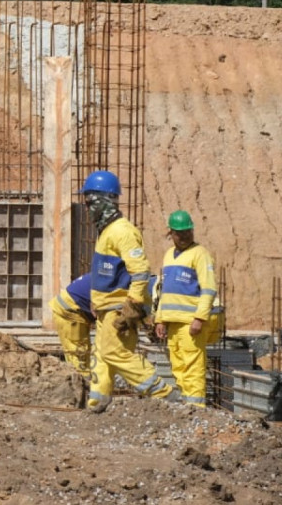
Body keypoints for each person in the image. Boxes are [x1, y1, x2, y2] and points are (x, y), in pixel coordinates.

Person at [82, 170, 178, 412]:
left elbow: (141, 271)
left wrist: (133, 305)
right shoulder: (107, 232)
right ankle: (98, 399)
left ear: (102, 200)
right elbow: (105, 271)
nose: (87, 208)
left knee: (116, 354)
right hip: (107, 307)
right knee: (103, 355)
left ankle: (163, 393)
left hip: (120, 307)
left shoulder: (123, 232)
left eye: (89, 202)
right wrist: (96, 301)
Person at [154, 210, 217, 409]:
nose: (184, 237)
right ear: (170, 233)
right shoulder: (168, 256)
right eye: (179, 234)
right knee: (179, 365)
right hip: (172, 322)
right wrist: (160, 319)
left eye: (187, 232)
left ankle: (197, 409)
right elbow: (164, 290)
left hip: (190, 322)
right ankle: (187, 405)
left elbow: (209, 289)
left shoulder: (200, 254)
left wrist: (200, 318)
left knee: (193, 367)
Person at [49, 272, 94, 378]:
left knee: (83, 352)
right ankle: (84, 387)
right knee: (78, 354)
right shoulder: (122, 280)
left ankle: (87, 385)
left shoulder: (113, 273)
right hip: (69, 311)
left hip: (73, 307)